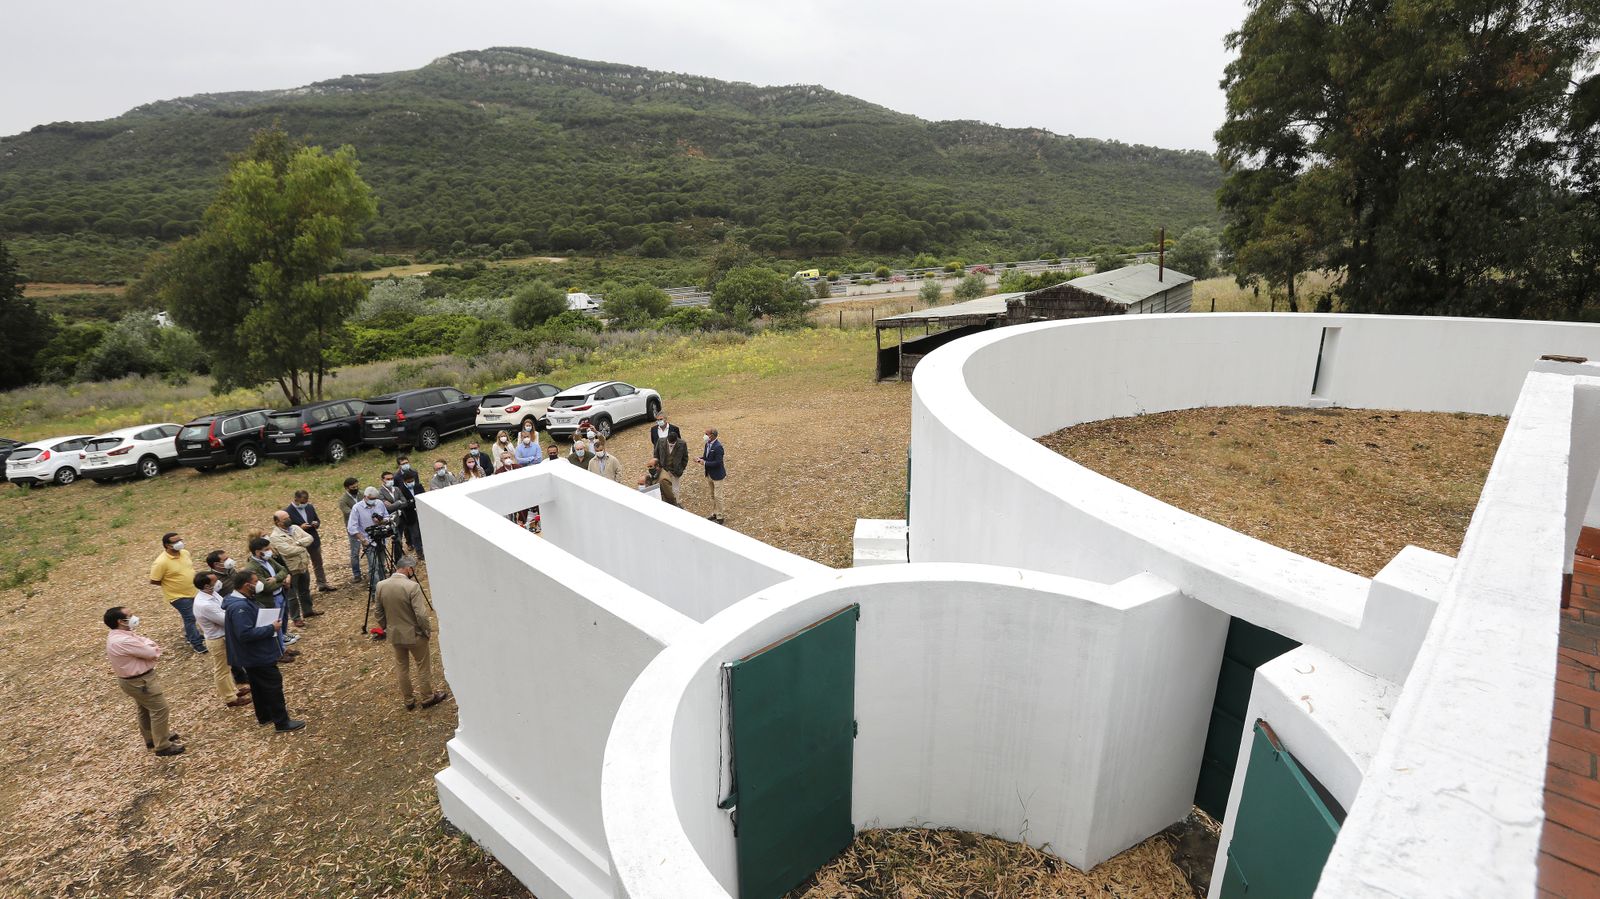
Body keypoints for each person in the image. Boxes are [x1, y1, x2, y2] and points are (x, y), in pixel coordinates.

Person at [223, 570, 304, 733]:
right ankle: (282, 722)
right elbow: (245, 634)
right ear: (247, 585)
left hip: (250, 654)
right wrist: (271, 628)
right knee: (272, 684)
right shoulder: (240, 607)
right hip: (256, 654)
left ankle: (265, 716)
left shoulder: (241, 601)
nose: (259, 584)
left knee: (258, 685)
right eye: (255, 581)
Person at [104, 605, 184, 755]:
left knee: (145, 708)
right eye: (130, 615)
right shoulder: (124, 640)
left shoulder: (118, 635)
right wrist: (150, 645)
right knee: (160, 709)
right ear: (121, 621)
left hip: (131, 681)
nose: (134, 617)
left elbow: (143, 641)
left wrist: (146, 644)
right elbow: (151, 652)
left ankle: (151, 738)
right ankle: (162, 745)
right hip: (141, 682)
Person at [374, 556, 449, 711]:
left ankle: (408, 700)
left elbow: (378, 613)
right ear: (409, 568)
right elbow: (420, 615)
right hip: (415, 634)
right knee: (422, 666)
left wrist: (387, 628)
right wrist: (426, 630)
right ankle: (427, 697)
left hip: (395, 634)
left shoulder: (381, 585)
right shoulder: (412, 587)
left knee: (402, 667)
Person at [192, 571, 251, 708]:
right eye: (215, 581)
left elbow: (225, 607)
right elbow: (225, 619)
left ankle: (234, 690)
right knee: (222, 670)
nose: (219, 582)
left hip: (224, 636)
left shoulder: (212, 594)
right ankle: (230, 698)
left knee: (227, 667)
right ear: (207, 586)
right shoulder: (204, 604)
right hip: (217, 639)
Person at [149, 532, 205, 653]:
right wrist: (173, 585)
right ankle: (196, 643)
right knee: (190, 617)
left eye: (180, 540)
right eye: (175, 542)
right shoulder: (161, 562)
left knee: (196, 614)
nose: (180, 543)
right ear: (167, 545)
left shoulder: (185, 553)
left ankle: (191, 635)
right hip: (178, 596)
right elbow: (154, 580)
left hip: (194, 591)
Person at [246, 537, 299, 657]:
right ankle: (278, 653)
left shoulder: (268, 560)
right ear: (258, 552)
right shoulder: (252, 568)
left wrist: (275, 579)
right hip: (269, 601)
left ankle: (282, 649)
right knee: (273, 627)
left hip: (280, 595)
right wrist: (282, 582)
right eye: (267, 549)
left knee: (280, 625)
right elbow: (266, 587)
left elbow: (283, 570)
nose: (270, 550)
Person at [268, 510, 319, 625]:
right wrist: (302, 546)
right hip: (290, 568)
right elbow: (287, 551)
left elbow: (310, 538)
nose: (288, 520)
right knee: (292, 595)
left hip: (303, 564)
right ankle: (296, 618)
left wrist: (297, 543)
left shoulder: (295, 528)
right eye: (285, 519)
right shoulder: (275, 537)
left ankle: (308, 611)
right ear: (277, 522)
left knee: (305, 590)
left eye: (288, 517)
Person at [285, 490, 334, 592]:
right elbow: (286, 529)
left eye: (307, 500)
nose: (306, 502)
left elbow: (317, 520)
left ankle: (322, 583)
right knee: (302, 565)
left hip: (313, 539)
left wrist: (316, 523)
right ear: (296, 499)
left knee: (318, 562)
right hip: (299, 542)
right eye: (303, 500)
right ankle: (303, 589)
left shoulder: (309, 507)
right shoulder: (287, 512)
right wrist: (300, 527)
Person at [347, 486, 392, 589]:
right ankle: (375, 592)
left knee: (382, 565)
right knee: (373, 567)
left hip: (381, 539)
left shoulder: (379, 503)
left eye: (375, 499)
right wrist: (363, 540)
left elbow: (387, 517)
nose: (373, 501)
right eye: (371, 499)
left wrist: (382, 521)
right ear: (365, 497)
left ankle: (384, 589)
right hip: (368, 541)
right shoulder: (357, 508)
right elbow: (352, 528)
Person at [696, 427, 727, 522]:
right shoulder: (707, 444)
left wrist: (704, 463)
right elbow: (706, 457)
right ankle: (715, 513)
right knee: (712, 495)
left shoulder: (718, 447)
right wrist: (700, 459)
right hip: (709, 474)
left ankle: (720, 516)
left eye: (706, 434)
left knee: (718, 496)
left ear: (712, 435)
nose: (705, 436)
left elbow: (718, 462)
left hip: (717, 475)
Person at [338, 477, 364, 583]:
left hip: (365, 526)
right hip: (353, 528)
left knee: (371, 548)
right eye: (353, 487)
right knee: (355, 552)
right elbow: (349, 512)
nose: (356, 488)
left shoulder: (361, 494)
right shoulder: (343, 500)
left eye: (357, 486)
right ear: (347, 488)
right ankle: (357, 574)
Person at [396, 468, 425, 560]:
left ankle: (425, 548)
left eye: (412, 481)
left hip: (421, 514)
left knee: (423, 532)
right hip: (410, 516)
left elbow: (424, 498)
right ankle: (419, 552)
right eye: (409, 481)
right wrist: (412, 502)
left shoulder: (418, 486)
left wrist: (412, 502)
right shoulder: (401, 490)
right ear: (404, 481)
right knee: (415, 534)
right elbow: (404, 504)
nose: (411, 482)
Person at [657, 428, 689, 500]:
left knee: (675, 490)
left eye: (673, 443)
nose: (671, 444)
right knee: (663, 488)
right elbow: (656, 455)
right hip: (663, 470)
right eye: (669, 443)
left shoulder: (682, 443)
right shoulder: (660, 441)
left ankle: (676, 504)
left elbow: (685, 457)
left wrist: (681, 469)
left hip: (676, 471)